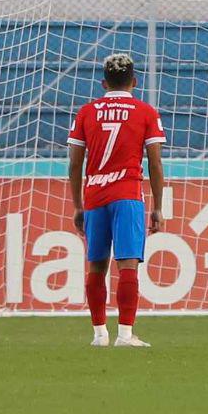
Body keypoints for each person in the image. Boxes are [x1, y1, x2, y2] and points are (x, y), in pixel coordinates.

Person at [67, 54, 165, 348]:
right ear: (134, 82)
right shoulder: (145, 112)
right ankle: (125, 335)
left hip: (95, 196)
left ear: (103, 83)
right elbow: (155, 163)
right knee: (127, 267)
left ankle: (99, 335)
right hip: (127, 195)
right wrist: (159, 206)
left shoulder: (87, 112)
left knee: (96, 266)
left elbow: (74, 164)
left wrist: (77, 205)